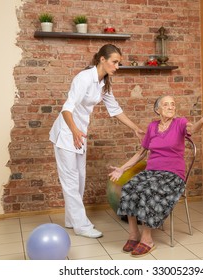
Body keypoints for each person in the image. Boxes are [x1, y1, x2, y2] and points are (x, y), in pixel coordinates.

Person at [50, 44, 144, 239]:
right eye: (115, 62)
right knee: (70, 181)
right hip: (67, 134)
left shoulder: (104, 83)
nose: (117, 66)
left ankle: (71, 219)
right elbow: (66, 109)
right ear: (102, 59)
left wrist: (135, 127)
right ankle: (82, 226)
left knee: (80, 179)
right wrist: (74, 131)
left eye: (119, 63)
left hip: (79, 135)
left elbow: (115, 109)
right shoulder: (84, 78)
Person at [108, 95, 203, 257]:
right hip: (152, 172)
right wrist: (122, 168)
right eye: (166, 104)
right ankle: (134, 234)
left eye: (173, 104)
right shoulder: (152, 127)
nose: (171, 107)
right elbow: (141, 153)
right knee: (129, 187)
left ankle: (147, 240)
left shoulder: (180, 123)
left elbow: (192, 129)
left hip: (173, 175)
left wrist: (202, 121)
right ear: (157, 110)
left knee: (150, 190)